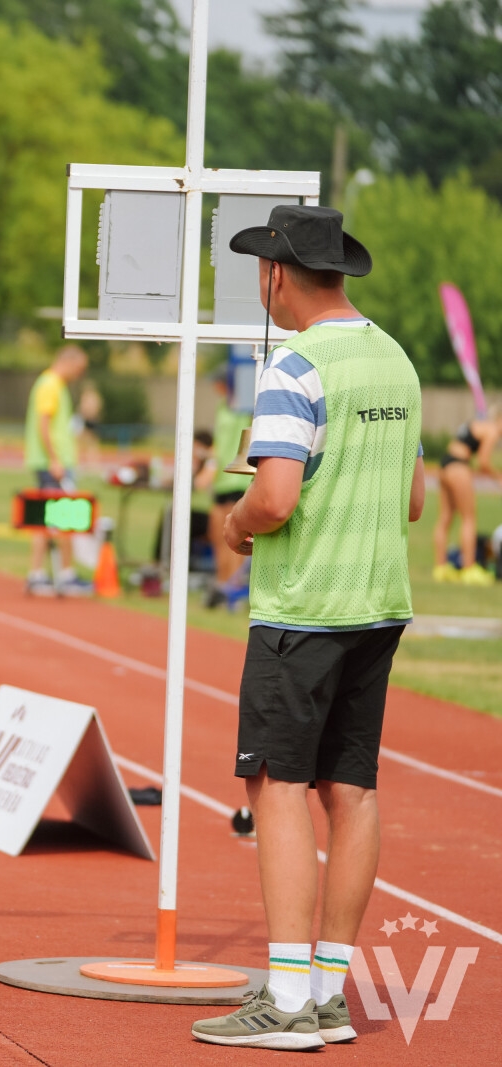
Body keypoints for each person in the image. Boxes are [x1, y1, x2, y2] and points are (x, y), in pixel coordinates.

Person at [192, 205, 423, 1050]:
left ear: (275, 274)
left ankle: (285, 1002)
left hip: (304, 608)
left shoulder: (295, 363)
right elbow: (413, 499)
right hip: (379, 602)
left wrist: (239, 524)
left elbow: (278, 498)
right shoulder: (394, 358)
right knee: (352, 790)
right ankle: (326, 992)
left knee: (278, 786)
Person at [24, 345, 92, 596]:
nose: (79, 374)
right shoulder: (50, 385)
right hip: (53, 464)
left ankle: (40, 573)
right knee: (64, 517)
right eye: (79, 368)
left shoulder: (53, 385)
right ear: (69, 361)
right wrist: (54, 459)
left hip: (54, 462)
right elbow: (43, 422)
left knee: (50, 517)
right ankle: (62, 574)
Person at [203, 365, 255, 606]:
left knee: (235, 537)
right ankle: (221, 583)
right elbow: (218, 442)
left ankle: (231, 587)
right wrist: (208, 467)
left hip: (238, 479)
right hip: (221, 480)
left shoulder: (244, 408)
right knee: (217, 535)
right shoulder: (221, 406)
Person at [433, 417, 499, 585]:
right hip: (459, 467)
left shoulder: (480, 424)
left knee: (445, 518)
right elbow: (484, 462)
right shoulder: (492, 431)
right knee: (469, 517)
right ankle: (468, 568)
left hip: (445, 463)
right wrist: (498, 477)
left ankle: (440, 568)